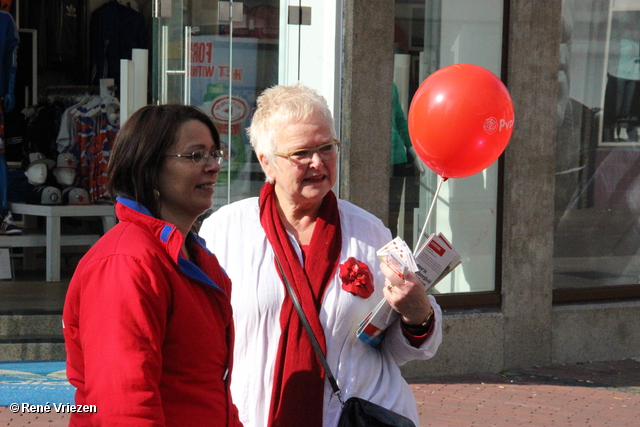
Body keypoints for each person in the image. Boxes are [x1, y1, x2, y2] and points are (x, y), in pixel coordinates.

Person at [200, 82, 442, 427]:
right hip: (254, 415)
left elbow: (396, 351)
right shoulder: (224, 231)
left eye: (327, 147)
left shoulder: (369, 231)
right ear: (266, 162)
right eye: (300, 153)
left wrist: (418, 316)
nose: (318, 162)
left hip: (355, 416)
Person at [62, 104, 243, 427]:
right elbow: (124, 405)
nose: (214, 166)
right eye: (195, 155)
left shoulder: (192, 256)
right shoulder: (126, 263)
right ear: (148, 166)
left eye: (215, 153)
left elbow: (202, 386)